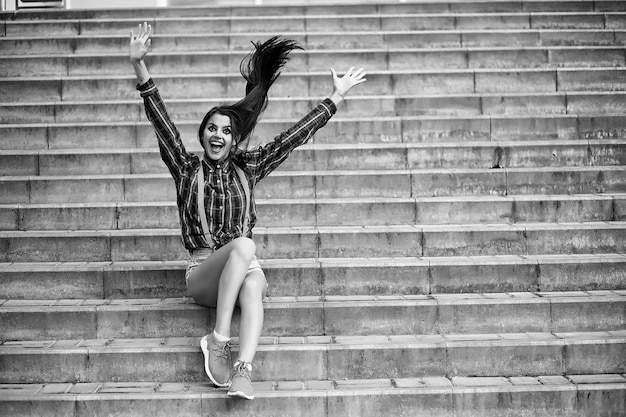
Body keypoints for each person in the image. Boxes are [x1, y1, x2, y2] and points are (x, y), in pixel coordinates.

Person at [129, 21, 366, 400]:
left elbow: (293, 137)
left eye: (225, 130)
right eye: (210, 128)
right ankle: (219, 340)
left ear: (234, 139)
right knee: (244, 246)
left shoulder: (249, 166)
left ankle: (243, 370)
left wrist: (334, 98)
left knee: (254, 283)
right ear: (202, 134)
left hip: (243, 268)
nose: (217, 135)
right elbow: (161, 122)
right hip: (204, 270)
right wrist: (140, 67)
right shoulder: (185, 167)